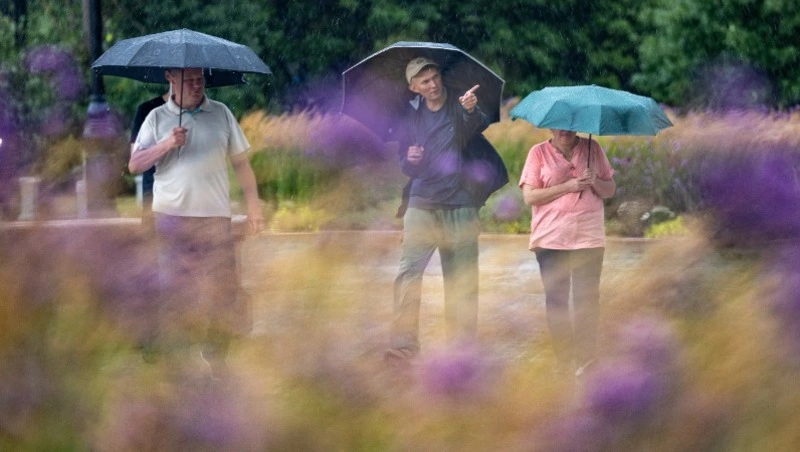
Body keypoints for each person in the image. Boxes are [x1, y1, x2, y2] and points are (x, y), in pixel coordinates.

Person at [129, 67, 264, 378]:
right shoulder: (156, 117)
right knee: (175, 292)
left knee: (221, 290)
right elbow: (135, 165)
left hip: (214, 218)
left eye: (200, 80)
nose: (195, 85)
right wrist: (166, 144)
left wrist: (254, 206)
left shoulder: (222, 113)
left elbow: (242, 164)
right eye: (188, 80)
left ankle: (217, 356)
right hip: (171, 220)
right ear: (170, 79)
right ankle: (176, 361)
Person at [385, 57, 506, 361]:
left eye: (435, 76)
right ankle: (403, 346)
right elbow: (403, 160)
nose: (433, 84)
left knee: (462, 279)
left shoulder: (460, 104)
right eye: (424, 81)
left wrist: (469, 109)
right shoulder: (409, 118)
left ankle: (461, 351)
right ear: (414, 87)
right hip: (422, 204)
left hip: (461, 204)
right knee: (409, 274)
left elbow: (476, 127)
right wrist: (409, 159)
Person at [518, 129, 616, 377]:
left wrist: (595, 181)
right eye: (558, 125)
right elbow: (530, 197)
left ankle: (586, 360)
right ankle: (563, 360)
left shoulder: (594, 150)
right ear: (550, 127)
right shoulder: (538, 152)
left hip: (589, 237)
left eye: (569, 124)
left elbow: (610, 190)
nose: (564, 130)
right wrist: (570, 185)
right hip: (551, 238)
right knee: (557, 300)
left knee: (587, 299)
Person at [130, 91, 168, 232]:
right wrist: (167, 144)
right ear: (170, 77)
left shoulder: (201, 112)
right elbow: (135, 161)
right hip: (154, 196)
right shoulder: (148, 110)